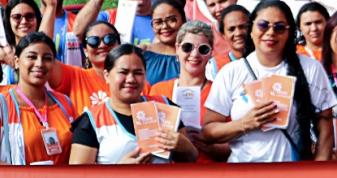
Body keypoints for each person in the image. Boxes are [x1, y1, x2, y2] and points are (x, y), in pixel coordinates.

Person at [203, 0, 336, 162]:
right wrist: (245, 123)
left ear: (289, 33)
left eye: (279, 27)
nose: (271, 32)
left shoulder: (310, 68)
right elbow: (209, 131)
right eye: (263, 25)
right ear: (251, 30)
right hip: (243, 173)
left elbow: (325, 122)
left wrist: (318, 169)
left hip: (293, 172)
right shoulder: (231, 72)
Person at [69, 44, 197, 164]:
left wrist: (184, 146)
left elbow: (190, 158)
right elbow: (79, 177)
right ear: (107, 76)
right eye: (123, 72)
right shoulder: (90, 121)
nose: (130, 79)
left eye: (138, 73)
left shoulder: (165, 106)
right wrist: (119, 172)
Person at [0, 32, 76, 166]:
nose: (39, 64)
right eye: (32, 57)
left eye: (47, 58)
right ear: (17, 62)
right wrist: (26, 175)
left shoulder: (65, 103)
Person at [149, 21, 229, 163]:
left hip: (208, 171)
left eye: (203, 49)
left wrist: (205, 145)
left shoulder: (221, 92)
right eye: (187, 47)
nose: (194, 54)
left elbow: (234, 147)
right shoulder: (158, 90)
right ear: (177, 49)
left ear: (211, 53)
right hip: (167, 172)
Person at [50, 20, 120, 115]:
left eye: (109, 39)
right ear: (85, 51)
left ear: (119, 44)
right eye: (93, 41)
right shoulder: (74, 77)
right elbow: (42, 53)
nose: (102, 45)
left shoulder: (132, 78)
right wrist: (50, 11)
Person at [142, 0, 186, 84]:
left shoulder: (195, 54)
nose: (165, 26)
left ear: (183, 21)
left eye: (172, 20)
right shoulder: (142, 54)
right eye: (158, 22)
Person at [0, 0, 43, 82]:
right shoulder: (1, 55)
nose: (24, 21)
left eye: (29, 16)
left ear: (37, 19)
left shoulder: (48, 51)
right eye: (17, 17)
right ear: (8, 21)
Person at [215, 4, 253, 69]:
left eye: (242, 27)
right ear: (223, 34)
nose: (238, 33)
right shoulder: (215, 66)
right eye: (231, 29)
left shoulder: (267, 58)